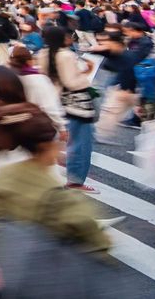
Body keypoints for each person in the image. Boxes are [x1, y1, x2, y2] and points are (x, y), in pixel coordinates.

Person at [0, 103, 112, 285]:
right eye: (57, 143)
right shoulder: (53, 189)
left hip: (10, 276)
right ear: (46, 145)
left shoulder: (0, 174)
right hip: (49, 281)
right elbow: (95, 238)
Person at [39, 24, 98, 192]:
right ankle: (75, 181)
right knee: (80, 143)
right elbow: (72, 82)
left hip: (53, 100)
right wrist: (87, 73)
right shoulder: (67, 55)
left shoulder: (42, 54)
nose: (70, 38)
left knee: (55, 141)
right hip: (76, 103)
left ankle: (44, 176)